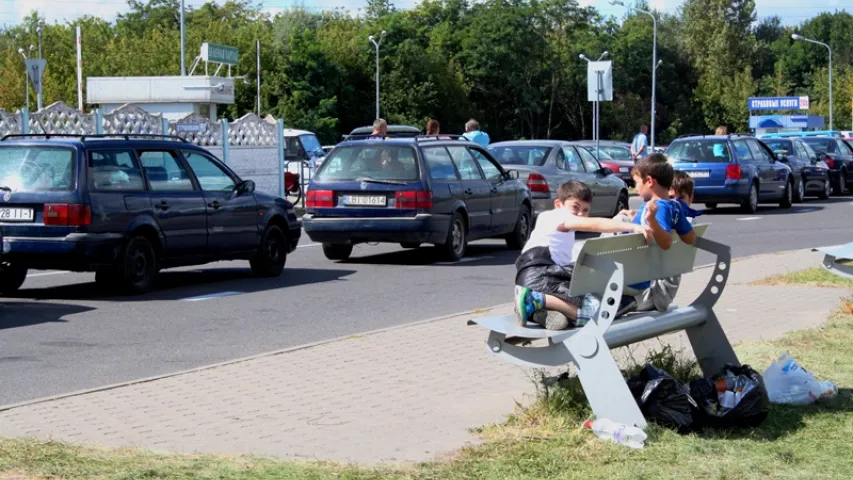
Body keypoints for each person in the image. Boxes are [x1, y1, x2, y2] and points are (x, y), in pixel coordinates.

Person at [514, 181, 651, 330]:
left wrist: (618, 217)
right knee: (594, 314)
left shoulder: (550, 219)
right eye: (575, 207)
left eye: (585, 210)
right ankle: (533, 299)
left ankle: (539, 309)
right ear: (559, 204)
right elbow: (594, 224)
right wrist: (632, 226)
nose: (580, 213)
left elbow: (594, 224)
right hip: (540, 278)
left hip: (542, 277)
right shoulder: (558, 217)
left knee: (567, 319)